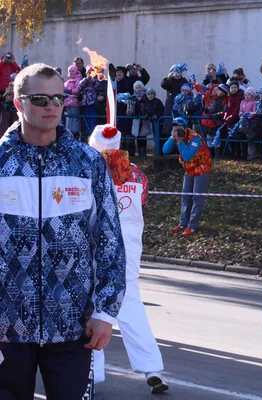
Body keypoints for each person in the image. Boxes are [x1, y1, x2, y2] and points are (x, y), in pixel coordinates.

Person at [0, 63, 126, 399]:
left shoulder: (87, 162)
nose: (52, 106)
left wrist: (104, 312)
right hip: (5, 329)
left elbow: (110, 240)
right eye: (40, 98)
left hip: (73, 325)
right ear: (18, 102)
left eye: (59, 98)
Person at [88, 124, 168, 394]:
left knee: (92, 311)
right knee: (132, 310)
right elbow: (142, 203)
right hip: (129, 252)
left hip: (95, 251)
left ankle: (92, 375)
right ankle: (152, 368)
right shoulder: (136, 174)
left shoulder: (88, 171)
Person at [164, 117, 212, 237]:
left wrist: (179, 142)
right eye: (174, 129)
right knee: (185, 196)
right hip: (189, 170)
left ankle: (192, 225)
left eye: (179, 129)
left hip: (202, 169)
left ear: (185, 129)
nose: (177, 132)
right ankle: (183, 223)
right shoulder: (177, 137)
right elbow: (165, 150)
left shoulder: (195, 139)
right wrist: (172, 138)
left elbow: (187, 156)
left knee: (197, 197)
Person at [161, 64, 189, 137]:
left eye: (179, 72)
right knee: (169, 126)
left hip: (181, 105)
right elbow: (163, 85)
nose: (177, 74)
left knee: (181, 126)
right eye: (175, 72)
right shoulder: (169, 80)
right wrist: (167, 78)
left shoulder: (184, 81)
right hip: (170, 105)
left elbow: (188, 90)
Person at [78, 65, 103, 138]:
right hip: (84, 102)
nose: (90, 73)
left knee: (92, 117)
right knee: (86, 117)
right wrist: (86, 79)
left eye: (91, 72)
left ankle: (91, 132)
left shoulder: (95, 80)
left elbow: (99, 87)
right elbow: (79, 86)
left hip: (92, 102)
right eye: (89, 72)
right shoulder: (84, 80)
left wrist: (94, 80)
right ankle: (86, 132)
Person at [64, 64, 82, 137]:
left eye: (73, 71)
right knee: (70, 117)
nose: (71, 73)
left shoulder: (78, 79)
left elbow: (77, 89)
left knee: (75, 117)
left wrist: (70, 91)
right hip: (68, 101)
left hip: (74, 101)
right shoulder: (67, 80)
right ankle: (70, 132)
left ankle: (75, 133)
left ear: (76, 72)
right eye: (70, 71)